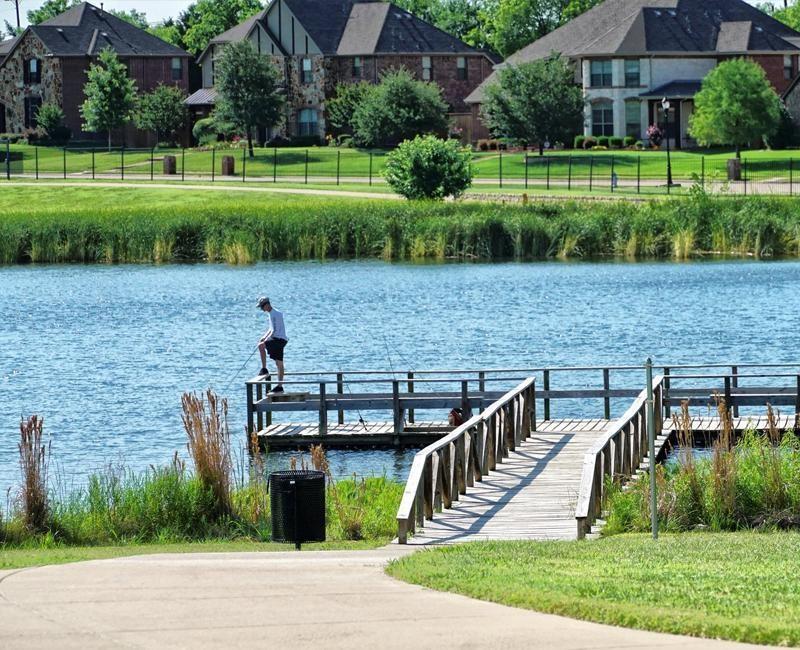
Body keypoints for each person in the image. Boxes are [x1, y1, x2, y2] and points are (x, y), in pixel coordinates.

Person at [256, 296, 288, 394]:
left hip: (279, 339)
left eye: (262, 307)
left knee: (261, 346)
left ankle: (264, 369)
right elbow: (270, 329)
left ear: (267, 304)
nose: (262, 309)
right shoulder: (271, 314)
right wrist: (264, 337)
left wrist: (265, 340)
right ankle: (280, 386)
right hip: (279, 339)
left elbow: (274, 331)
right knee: (279, 363)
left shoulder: (276, 314)